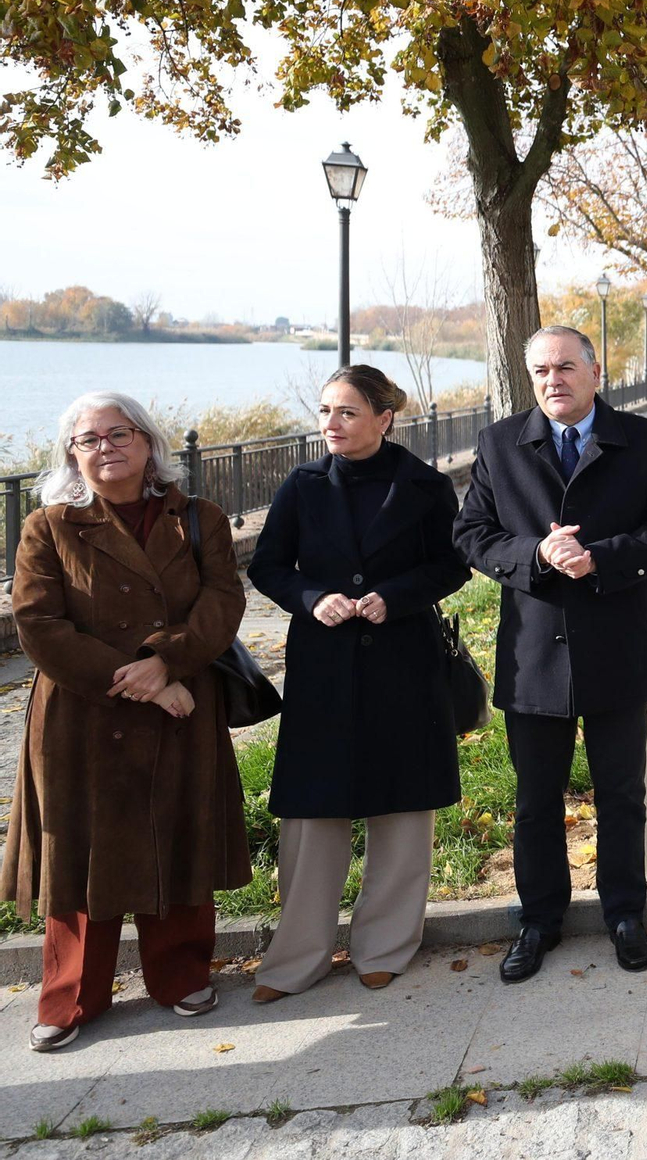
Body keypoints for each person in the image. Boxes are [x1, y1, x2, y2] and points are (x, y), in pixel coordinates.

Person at [1, 393, 249, 1050]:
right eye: (89, 438)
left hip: (180, 703)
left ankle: (179, 974)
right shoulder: (46, 527)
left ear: (148, 443)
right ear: (71, 453)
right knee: (79, 854)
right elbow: (38, 625)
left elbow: (224, 602)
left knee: (178, 837)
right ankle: (72, 995)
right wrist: (136, 681)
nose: (105, 446)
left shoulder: (198, 518)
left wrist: (166, 664)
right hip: (82, 716)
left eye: (120, 433)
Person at [454, 326, 647, 983]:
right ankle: (539, 921)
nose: (552, 380)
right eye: (540, 371)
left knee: (621, 795)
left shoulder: (641, 441)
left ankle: (623, 914)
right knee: (536, 800)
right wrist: (535, 555)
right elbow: (471, 533)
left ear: (595, 372)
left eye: (564, 367)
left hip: (616, 648)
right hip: (535, 655)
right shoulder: (499, 443)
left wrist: (600, 559)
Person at [245, 366, 470, 1002]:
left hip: (403, 663)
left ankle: (386, 948)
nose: (331, 425)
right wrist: (313, 598)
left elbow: (451, 566)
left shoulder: (424, 485)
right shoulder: (303, 483)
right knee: (312, 812)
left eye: (346, 412)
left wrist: (393, 598)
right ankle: (296, 959)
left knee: (402, 808)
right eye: (324, 412)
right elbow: (268, 567)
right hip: (323, 666)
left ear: (383, 417)